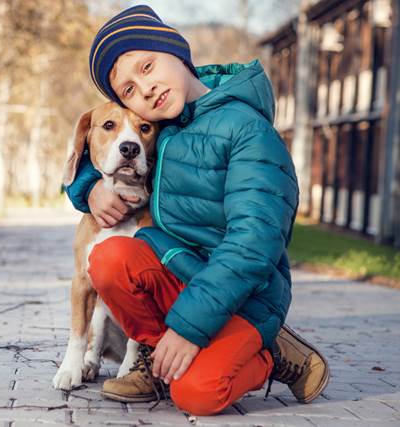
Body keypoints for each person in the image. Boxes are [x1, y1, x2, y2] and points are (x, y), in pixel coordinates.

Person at [63, 4, 329, 416]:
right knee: (108, 256)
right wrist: (91, 188)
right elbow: (116, 152)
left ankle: (271, 354)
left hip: (245, 296)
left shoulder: (247, 131)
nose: (145, 89)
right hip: (184, 279)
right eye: (129, 90)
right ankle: (154, 357)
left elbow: (253, 247)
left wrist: (188, 330)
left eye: (147, 67)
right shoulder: (163, 125)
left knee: (196, 395)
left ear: (179, 53)